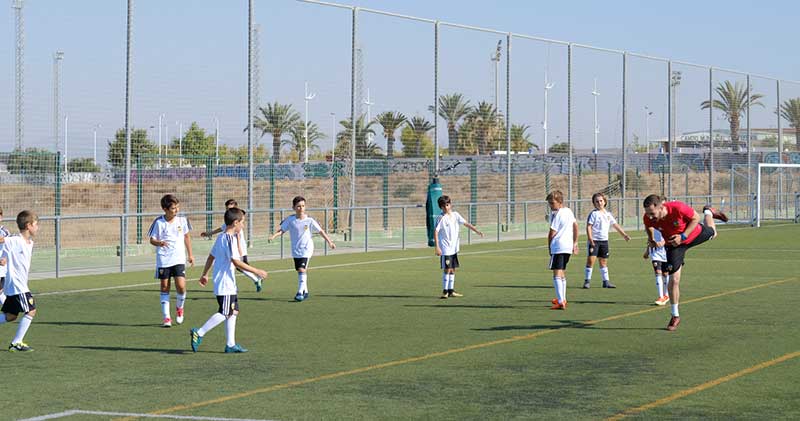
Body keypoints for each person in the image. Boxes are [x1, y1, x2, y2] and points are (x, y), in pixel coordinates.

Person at [642, 194, 727, 331]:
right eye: (647, 213)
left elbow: (695, 218)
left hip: (692, 234)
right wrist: (651, 239)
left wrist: (683, 236)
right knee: (674, 280)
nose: (650, 216)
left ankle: (708, 212)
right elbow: (648, 226)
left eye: (652, 213)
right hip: (673, 246)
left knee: (713, 233)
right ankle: (675, 315)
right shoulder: (648, 217)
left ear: (661, 207)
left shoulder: (677, 208)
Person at [191, 207, 267, 353]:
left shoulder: (221, 238)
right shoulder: (228, 239)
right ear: (235, 223)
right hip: (225, 284)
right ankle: (199, 332)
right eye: (242, 223)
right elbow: (236, 262)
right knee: (225, 312)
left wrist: (205, 274)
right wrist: (257, 271)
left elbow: (211, 257)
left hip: (228, 283)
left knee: (234, 311)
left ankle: (230, 344)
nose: (243, 226)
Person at [268, 196, 336, 301]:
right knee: (301, 270)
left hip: (307, 248)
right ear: (294, 207)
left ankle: (300, 292)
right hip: (296, 249)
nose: (301, 208)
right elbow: (282, 230)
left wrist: (330, 242)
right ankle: (306, 291)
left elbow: (321, 231)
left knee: (301, 269)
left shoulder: (310, 220)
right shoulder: (290, 220)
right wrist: (273, 236)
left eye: (303, 206)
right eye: (298, 206)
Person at [148, 194, 195, 327]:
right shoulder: (159, 222)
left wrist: (190, 254)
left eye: (177, 207)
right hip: (164, 259)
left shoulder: (182, 220)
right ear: (165, 209)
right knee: (164, 286)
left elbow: (187, 237)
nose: (176, 210)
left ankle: (180, 309)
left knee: (181, 286)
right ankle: (166, 318)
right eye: (173, 208)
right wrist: (159, 243)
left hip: (179, 258)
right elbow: (152, 239)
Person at [201, 199, 263, 292]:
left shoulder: (237, 224)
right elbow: (219, 230)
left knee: (239, 266)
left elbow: (238, 237)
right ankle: (255, 279)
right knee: (237, 266)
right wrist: (209, 233)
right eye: (227, 209)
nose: (228, 211)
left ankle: (256, 279)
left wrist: (239, 250)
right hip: (225, 286)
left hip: (239, 249)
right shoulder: (226, 231)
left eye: (231, 208)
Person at [0, 210, 40, 352]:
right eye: (36, 224)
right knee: (31, 310)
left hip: (14, 286)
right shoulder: (15, 240)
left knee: (10, 316)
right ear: (28, 225)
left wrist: (4, 259)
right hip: (18, 286)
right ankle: (16, 342)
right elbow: (3, 241)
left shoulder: (29, 242)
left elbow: (6, 254)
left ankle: (17, 342)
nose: (37, 227)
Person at [433, 195, 484, 299]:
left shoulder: (456, 215)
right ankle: (445, 291)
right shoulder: (441, 218)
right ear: (441, 208)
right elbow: (436, 231)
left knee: (453, 269)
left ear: (450, 204)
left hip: (454, 248)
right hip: (446, 248)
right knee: (447, 269)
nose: (446, 208)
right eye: (443, 206)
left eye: (447, 205)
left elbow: (466, 223)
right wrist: (437, 247)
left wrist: (477, 231)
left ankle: (451, 290)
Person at [583, 192, 631, 289]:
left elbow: (615, 225)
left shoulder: (608, 214)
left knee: (603, 261)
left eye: (601, 201)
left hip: (604, 241)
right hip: (594, 241)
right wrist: (590, 239)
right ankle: (587, 281)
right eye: (596, 201)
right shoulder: (593, 214)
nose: (599, 203)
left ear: (604, 202)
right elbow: (588, 227)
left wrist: (624, 235)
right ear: (594, 203)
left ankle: (606, 281)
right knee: (591, 260)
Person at [547, 190, 578, 310]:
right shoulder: (569, 211)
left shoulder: (558, 214)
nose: (550, 205)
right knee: (562, 272)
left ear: (560, 202)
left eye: (552, 203)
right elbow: (575, 226)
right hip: (567, 246)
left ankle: (560, 301)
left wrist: (549, 247)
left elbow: (551, 233)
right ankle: (562, 298)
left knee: (556, 273)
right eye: (549, 203)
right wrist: (575, 242)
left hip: (558, 246)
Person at [643, 228, 670, 306]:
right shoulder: (650, 224)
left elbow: (670, 235)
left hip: (666, 251)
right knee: (658, 273)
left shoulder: (664, 222)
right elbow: (650, 238)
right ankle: (661, 297)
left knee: (665, 274)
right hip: (655, 253)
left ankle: (666, 295)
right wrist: (647, 251)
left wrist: (663, 242)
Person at [0, 207, 11, 305]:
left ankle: (10, 310)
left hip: (1, 268)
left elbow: (10, 248)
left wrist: (6, 259)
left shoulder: (4, 231)